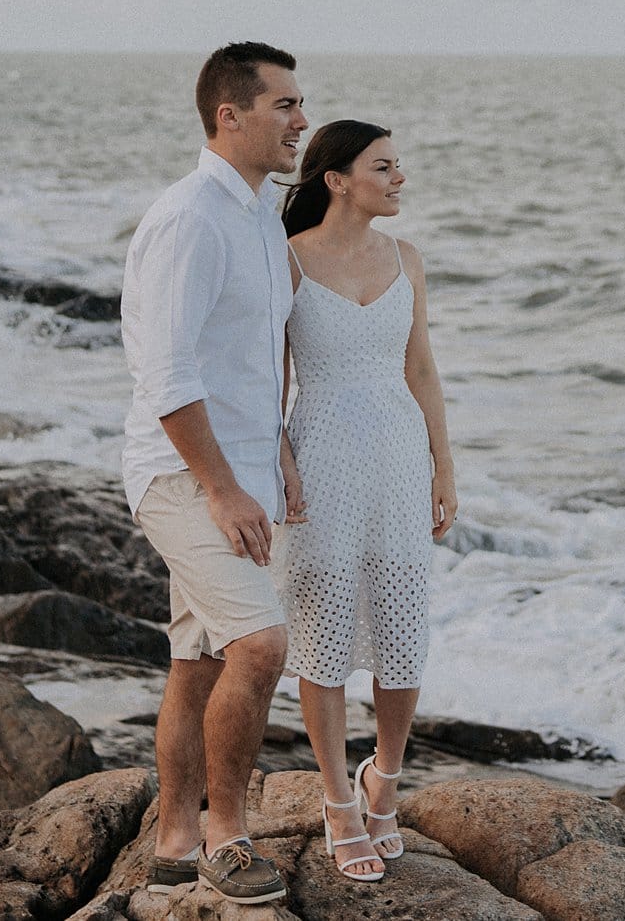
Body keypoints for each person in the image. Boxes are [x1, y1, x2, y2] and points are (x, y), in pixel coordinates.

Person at [119, 42, 308, 907]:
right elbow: (168, 376)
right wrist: (225, 488)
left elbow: (257, 350)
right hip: (183, 476)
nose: (300, 120)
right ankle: (227, 839)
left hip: (239, 469)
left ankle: (172, 840)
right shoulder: (190, 216)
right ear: (230, 115)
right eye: (283, 105)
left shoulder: (261, 214)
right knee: (261, 645)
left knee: (197, 661)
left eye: (300, 106)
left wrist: (278, 455)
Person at [273, 119, 460, 884]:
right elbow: (266, 377)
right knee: (320, 630)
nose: (400, 178)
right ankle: (335, 801)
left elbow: (422, 368)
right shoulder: (285, 261)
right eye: (384, 166)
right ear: (338, 179)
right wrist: (279, 459)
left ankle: (383, 778)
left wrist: (443, 466)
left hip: (396, 453)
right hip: (318, 452)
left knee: (403, 620)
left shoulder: (407, 259)